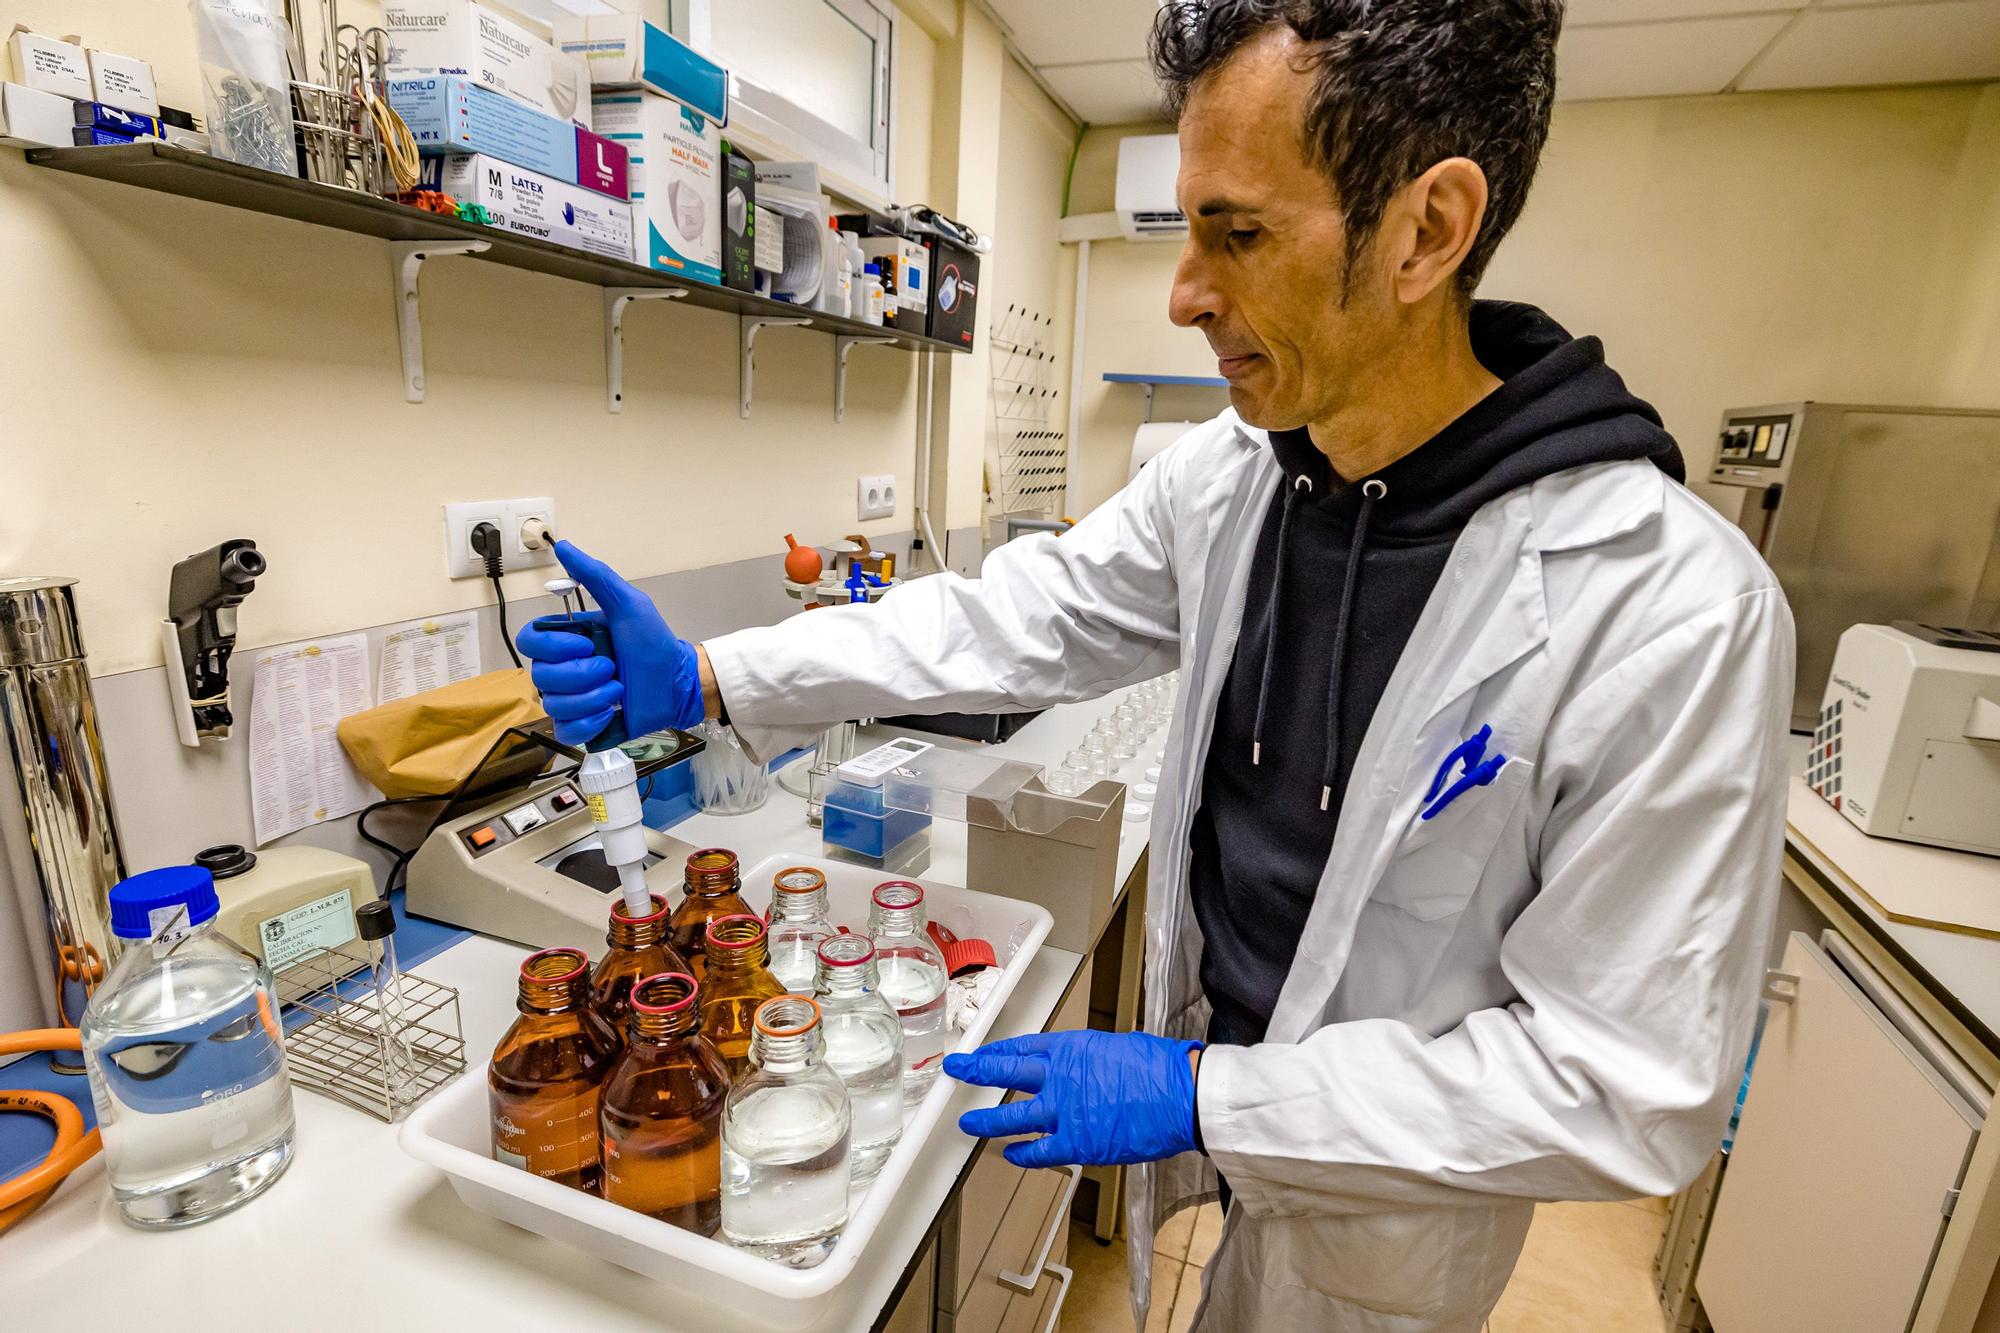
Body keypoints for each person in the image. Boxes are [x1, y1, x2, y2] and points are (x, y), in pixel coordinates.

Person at [517, 2, 1796, 1327]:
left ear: (1428, 228)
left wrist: (1204, 1097)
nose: (1186, 292)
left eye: (1235, 233)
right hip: (1232, 1132)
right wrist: (719, 675)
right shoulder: (1235, 477)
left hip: (1392, 1210)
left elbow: (1623, 1082)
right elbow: (1009, 615)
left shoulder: (1670, 611)